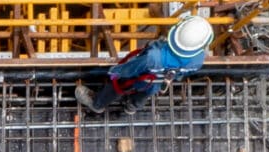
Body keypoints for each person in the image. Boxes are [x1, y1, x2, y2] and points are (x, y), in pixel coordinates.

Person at [82, 13, 211, 115]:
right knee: (146, 93)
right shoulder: (198, 60)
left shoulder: (154, 56)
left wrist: (116, 71)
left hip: (140, 78)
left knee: (118, 85)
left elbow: (131, 68)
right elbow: (180, 75)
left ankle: (97, 105)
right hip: (157, 84)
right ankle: (131, 108)